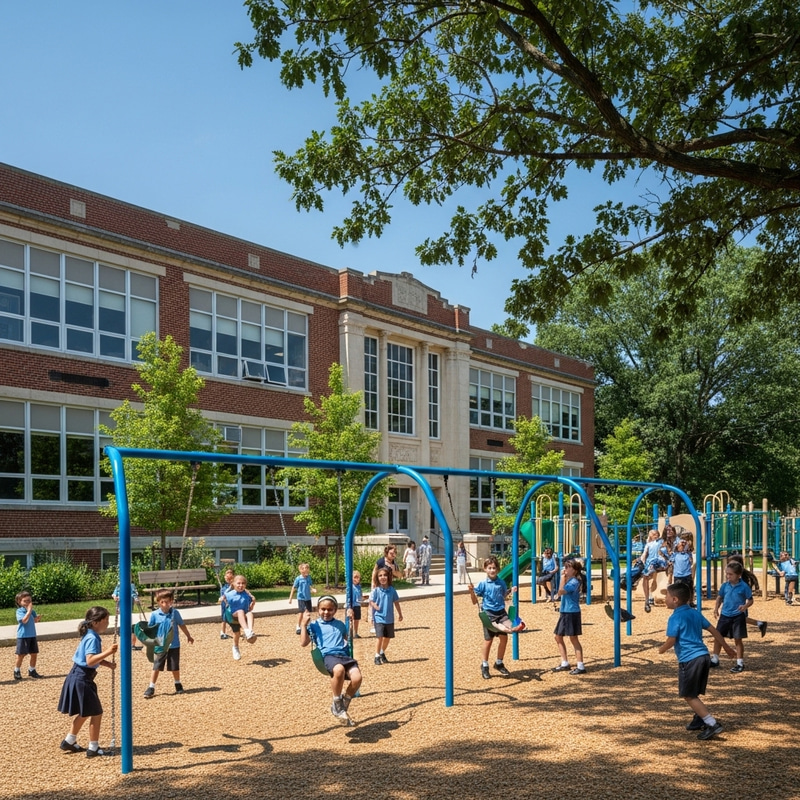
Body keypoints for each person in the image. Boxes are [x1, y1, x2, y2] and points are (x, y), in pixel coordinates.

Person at [658, 582, 735, 740]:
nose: (664, 598)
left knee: (689, 695)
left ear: (675, 600)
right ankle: (698, 718)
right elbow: (714, 630)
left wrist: (662, 649)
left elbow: (671, 640)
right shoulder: (694, 613)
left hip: (690, 659)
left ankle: (712, 723)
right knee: (694, 692)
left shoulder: (675, 617)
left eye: (666, 596)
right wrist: (726, 647)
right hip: (704, 657)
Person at [57, 606, 118, 758]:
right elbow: (90, 660)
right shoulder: (92, 637)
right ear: (96, 622)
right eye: (106, 621)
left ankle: (69, 741)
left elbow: (88, 658)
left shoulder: (89, 634)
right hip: (82, 678)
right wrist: (108, 652)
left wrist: (106, 663)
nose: (108, 624)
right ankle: (94, 748)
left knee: (85, 712)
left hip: (78, 675)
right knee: (96, 713)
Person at [300, 595, 362, 725]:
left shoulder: (340, 624)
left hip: (344, 656)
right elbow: (304, 642)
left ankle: (345, 701)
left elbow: (347, 639)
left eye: (330, 609)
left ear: (335, 610)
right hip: (328, 656)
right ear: (318, 609)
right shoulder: (315, 625)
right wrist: (303, 624)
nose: (326, 612)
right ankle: (337, 701)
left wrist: (350, 621)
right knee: (338, 669)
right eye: (323, 609)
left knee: (357, 678)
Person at [468, 555, 522, 679]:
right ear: (485, 569)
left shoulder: (501, 582)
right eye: (489, 568)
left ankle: (499, 663)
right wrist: (471, 591)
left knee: (504, 639)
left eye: (494, 568)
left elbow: (502, 596)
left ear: (497, 569)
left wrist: (510, 591)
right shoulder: (483, 584)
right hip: (489, 615)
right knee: (489, 641)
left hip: (501, 613)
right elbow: (474, 601)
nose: (492, 570)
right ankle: (485, 665)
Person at [143, 589, 194, 696]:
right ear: (158, 602)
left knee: (174, 666)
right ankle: (151, 687)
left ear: (171, 601)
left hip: (174, 644)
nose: (165, 604)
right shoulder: (154, 614)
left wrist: (188, 635)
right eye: (162, 602)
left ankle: (178, 683)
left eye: (167, 601)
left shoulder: (175, 613)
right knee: (156, 666)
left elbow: (182, 625)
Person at [710, 561, 752, 673]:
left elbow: (750, 599)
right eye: (726, 574)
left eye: (730, 574)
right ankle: (715, 659)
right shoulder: (725, 585)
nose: (728, 576)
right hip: (725, 615)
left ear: (738, 575)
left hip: (738, 616)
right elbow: (720, 597)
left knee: (738, 639)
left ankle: (740, 663)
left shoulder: (744, 586)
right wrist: (716, 609)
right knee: (718, 637)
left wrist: (745, 606)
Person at [552, 558, 587, 675]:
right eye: (565, 567)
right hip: (565, 612)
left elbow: (561, 591)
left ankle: (580, 666)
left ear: (575, 570)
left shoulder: (574, 582)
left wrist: (562, 578)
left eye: (568, 567)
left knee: (573, 639)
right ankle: (565, 663)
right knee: (558, 637)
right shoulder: (570, 580)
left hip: (571, 613)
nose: (565, 569)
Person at [727, 554, 768, 637]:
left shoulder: (739, 576)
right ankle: (760, 624)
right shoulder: (734, 574)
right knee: (738, 618)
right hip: (734, 601)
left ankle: (721, 635)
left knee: (736, 617)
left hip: (738, 602)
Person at [369, 566, 403, 665]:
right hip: (379, 617)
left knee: (387, 638)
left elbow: (396, 602)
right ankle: (376, 656)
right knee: (380, 637)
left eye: (384, 575)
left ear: (388, 577)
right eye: (380, 576)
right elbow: (371, 601)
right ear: (377, 578)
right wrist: (374, 606)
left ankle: (381, 652)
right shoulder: (376, 590)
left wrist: (400, 614)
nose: (382, 577)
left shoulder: (392, 590)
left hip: (389, 618)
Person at [369, 545, 403, 632]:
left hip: (387, 586)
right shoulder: (381, 561)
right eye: (391, 553)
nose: (393, 555)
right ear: (387, 553)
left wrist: (394, 570)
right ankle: (374, 624)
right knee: (374, 604)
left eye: (394, 553)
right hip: (377, 585)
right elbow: (374, 571)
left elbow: (400, 575)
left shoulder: (394, 564)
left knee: (385, 604)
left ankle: (385, 623)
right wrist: (373, 584)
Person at [225, 575, 257, 659]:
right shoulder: (230, 594)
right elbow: (224, 598)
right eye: (238, 583)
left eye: (243, 583)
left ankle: (249, 631)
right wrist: (222, 599)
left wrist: (253, 603)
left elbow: (249, 608)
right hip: (233, 617)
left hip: (243, 617)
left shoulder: (247, 595)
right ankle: (235, 647)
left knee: (250, 613)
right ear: (233, 584)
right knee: (237, 633)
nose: (241, 585)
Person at [14, 590, 42, 680]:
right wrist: (29, 611)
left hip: (32, 635)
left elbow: (34, 620)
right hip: (23, 636)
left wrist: (37, 618)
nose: (28, 603)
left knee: (34, 653)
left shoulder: (32, 611)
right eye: (25, 601)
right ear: (19, 602)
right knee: (21, 654)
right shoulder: (20, 611)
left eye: (29, 601)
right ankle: (17, 670)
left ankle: (32, 670)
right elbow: (24, 621)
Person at [112, 574, 141, 650]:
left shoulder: (132, 585)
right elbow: (114, 594)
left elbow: (135, 594)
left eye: (130, 577)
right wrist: (115, 597)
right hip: (121, 607)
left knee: (130, 625)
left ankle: (132, 644)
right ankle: (123, 641)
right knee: (122, 624)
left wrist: (136, 599)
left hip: (128, 608)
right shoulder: (119, 585)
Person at [641, 528, 668, 612]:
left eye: (656, 534)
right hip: (652, 563)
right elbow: (644, 554)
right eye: (653, 534)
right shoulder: (648, 544)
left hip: (660, 562)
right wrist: (642, 561)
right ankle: (648, 598)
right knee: (645, 576)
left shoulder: (662, 541)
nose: (655, 535)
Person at [288, 562, 316, 634]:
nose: (306, 571)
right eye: (304, 569)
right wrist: (290, 598)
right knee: (301, 612)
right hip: (301, 598)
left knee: (308, 612)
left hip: (308, 598)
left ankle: (308, 625)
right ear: (300, 570)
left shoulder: (308, 578)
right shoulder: (298, 579)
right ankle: (298, 625)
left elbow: (310, 586)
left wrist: (313, 590)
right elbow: (293, 588)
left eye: (307, 569)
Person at [218, 567, 235, 639]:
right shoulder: (224, 588)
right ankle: (222, 632)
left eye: (231, 574)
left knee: (234, 618)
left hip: (233, 604)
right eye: (227, 574)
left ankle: (236, 630)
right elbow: (224, 595)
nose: (229, 575)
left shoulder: (235, 586)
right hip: (226, 605)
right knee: (224, 618)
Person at [348, 570, 365, 637]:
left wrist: (363, 598)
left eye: (358, 577)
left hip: (357, 605)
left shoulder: (359, 587)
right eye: (355, 577)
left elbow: (360, 596)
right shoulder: (350, 586)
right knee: (350, 619)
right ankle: (350, 633)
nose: (356, 579)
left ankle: (355, 633)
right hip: (351, 605)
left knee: (357, 619)